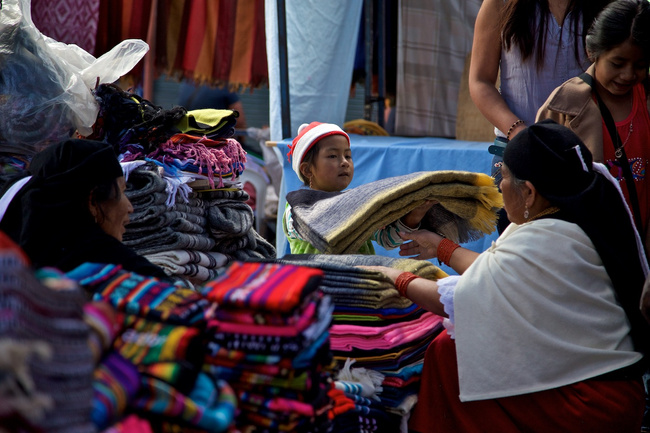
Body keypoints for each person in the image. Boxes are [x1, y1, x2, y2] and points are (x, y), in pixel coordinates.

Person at [362, 120, 650, 432]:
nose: (500, 186)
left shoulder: (543, 238)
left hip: (589, 403)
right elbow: (500, 272)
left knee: (449, 352)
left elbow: (458, 300)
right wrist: (441, 247)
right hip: (613, 390)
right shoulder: (580, 213)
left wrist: (391, 277)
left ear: (528, 192)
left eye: (505, 178)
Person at [469, 0, 610, 232]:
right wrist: (519, 132)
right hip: (517, 156)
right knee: (518, 256)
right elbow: (480, 81)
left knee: (577, 254)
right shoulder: (500, 4)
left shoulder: (606, 6)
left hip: (586, 155)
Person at [537, 0, 650, 249]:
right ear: (593, 51)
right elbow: (539, 193)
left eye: (640, 66)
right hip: (586, 252)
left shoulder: (646, 99)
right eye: (617, 64)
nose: (628, 75)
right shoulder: (562, 107)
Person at [0, 139, 169, 279]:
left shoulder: (10, 261)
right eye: (123, 192)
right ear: (93, 202)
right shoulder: (124, 270)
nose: (130, 207)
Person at [282, 121, 433, 254]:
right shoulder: (296, 208)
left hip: (361, 281)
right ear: (307, 170)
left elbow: (387, 240)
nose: (344, 162)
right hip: (319, 283)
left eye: (347, 156)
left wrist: (413, 216)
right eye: (333, 156)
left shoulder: (357, 204)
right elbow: (318, 228)